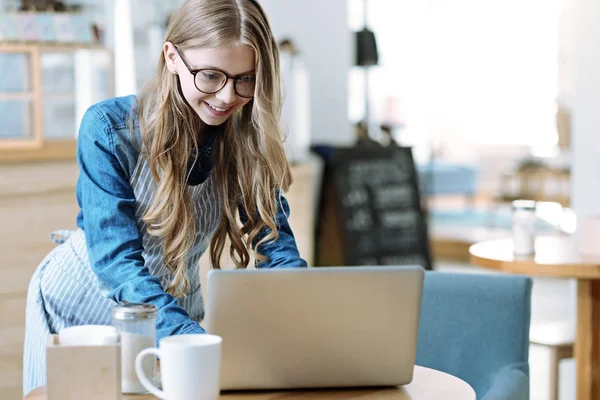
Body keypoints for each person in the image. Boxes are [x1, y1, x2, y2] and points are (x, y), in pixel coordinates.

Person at [22, 0, 307, 394]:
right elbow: (118, 264)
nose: (227, 96)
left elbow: (276, 248)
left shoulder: (246, 139)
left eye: (245, 79)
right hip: (80, 310)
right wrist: (187, 337)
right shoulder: (108, 129)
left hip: (170, 306)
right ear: (172, 57)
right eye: (210, 76)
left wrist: (308, 320)